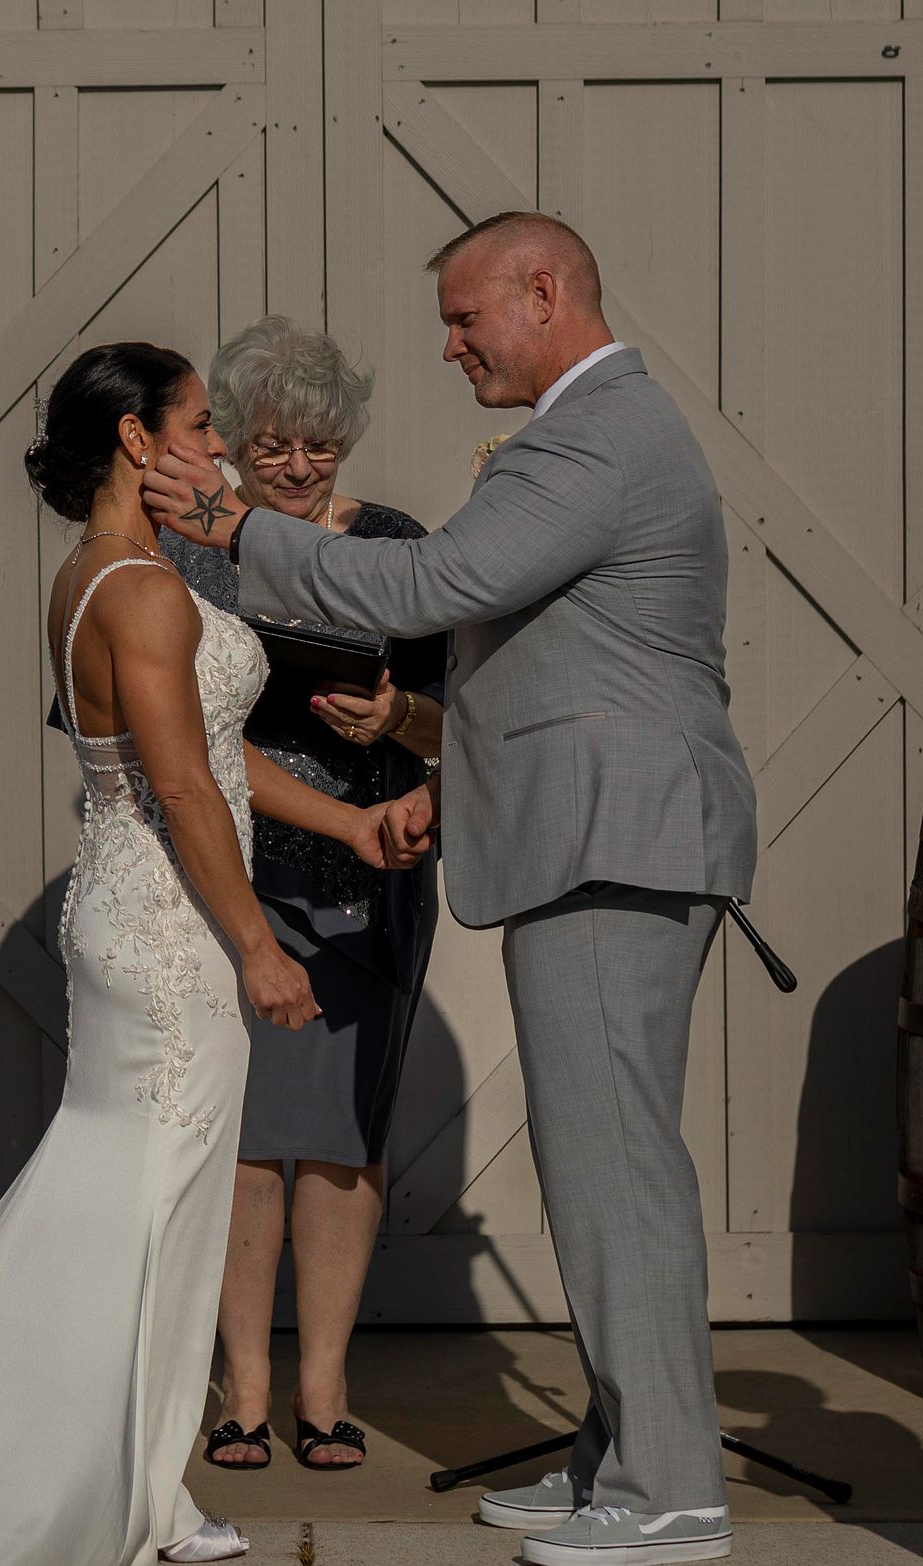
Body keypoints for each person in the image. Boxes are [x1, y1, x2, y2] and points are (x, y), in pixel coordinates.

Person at [0, 343, 417, 1566]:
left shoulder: (106, 574)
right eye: (200, 426)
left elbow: (210, 755)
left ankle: (147, 1482)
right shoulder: (141, 591)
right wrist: (259, 947)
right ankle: (79, 1480)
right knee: (137, 1205)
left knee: (156, 1206)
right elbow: (187, 790)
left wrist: (352, 819)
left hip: (134, 909)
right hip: (168, 926)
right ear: (138, 443)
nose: (217, 447)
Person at [143, 214, 758, 1566]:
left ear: (544, 294)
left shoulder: (595, 433)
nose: (450, 339)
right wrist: (443, 764)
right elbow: (541, 658)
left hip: (618, 839)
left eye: (468, 314)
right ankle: (617, 1456)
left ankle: (671, 1494)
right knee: (594, 1162)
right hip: (594, 832)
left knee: (616, 1173)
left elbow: (440, 580)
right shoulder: (596, 432)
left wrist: (240, 523)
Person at [162, 317, 445, 1472]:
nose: (294, 465)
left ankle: (323, 1385)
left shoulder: (395, 543)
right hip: (233, 875)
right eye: (271, 444)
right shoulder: (186, 544)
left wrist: (401, 724)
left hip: (372, 874)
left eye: (318, 446)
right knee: (243, 1137)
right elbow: (167, 732)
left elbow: (450, 713)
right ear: (228, 438)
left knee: (340, 1139)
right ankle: (244, 1387)